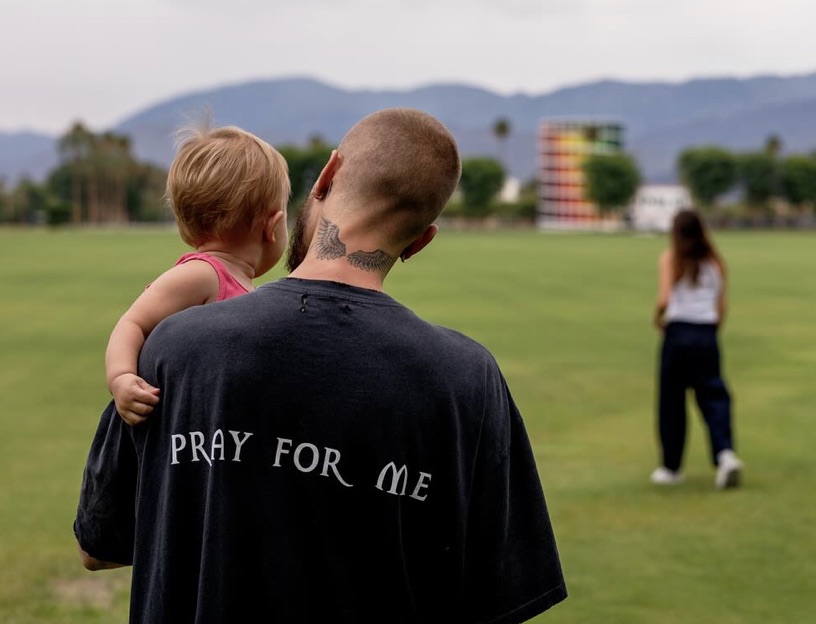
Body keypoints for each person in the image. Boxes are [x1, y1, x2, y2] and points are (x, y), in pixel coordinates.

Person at [74, 108, 568, 623]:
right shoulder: (469, 378)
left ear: (327, 176)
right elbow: (499, 596)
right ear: (420, 242)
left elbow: (100, 546)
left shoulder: (172, 344)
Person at [105, 124, 290, 425]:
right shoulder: (203, 275)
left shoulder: (240, 284)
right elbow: (133, 322)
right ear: (272, 225)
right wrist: (121, 377)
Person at [651, 208, 743, 488]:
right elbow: (722, 305)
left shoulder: (671, 258)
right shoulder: (715, 262)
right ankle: (725, 453)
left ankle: (671, 467)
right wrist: (713, 330)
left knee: (672, 401)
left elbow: (665, 297)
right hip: (707, 333)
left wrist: (657, 318)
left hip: (678, 332)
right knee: (714, 395)